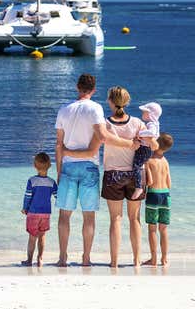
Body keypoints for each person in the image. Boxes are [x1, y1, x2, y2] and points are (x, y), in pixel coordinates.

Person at [63, 86, 158, 268]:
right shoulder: (138, 123)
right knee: (134, 219)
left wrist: (66, 152)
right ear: (127, 102)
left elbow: (92, 150)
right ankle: (137, 261)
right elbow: (153, 145)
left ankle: (114, 262)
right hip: (136, 175)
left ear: (110, 101)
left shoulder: (105, 125)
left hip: (113, 175)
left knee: (116, 219)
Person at [54, 74, 136, 267]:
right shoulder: (95, 108)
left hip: (68, 166)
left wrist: (58, 172)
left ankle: (63, 258)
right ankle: (86, 258)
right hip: (89, 167)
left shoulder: (63, 109)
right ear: (94, 90)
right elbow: (103, 137)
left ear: (77, 87)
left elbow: (58, 145)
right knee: (88, 216)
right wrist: (129, 144)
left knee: (64, 215)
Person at [21, 152, 57, 267]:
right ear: (49, 166)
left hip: (33, 213)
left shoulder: (32, 181)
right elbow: (57, 196)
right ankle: (40, 259)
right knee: (42, 236)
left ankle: (29, 260)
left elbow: (27, 196)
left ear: (34, 166)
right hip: (46, 214)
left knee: (32, 237)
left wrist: (25, 208)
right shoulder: (52, 182)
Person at [142, 132, 173, 267]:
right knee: (163, 229)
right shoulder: (165, 161)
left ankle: (153, 258)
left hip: (153, 195)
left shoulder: (149, 160)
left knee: (152, 229)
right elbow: (169, 183)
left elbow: (149, 182)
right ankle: (164, 259)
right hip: (166, 195)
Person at [130, 102, 162, 200]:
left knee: (136, 166)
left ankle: (139, 187)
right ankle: (139, 186)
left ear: (151, 114)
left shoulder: (151, 124)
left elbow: (152, 133)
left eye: (144, 112)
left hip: (145, 148)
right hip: (145, 148)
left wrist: (139, 133)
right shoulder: (154, 123)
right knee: (138, 166)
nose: (142, 114)